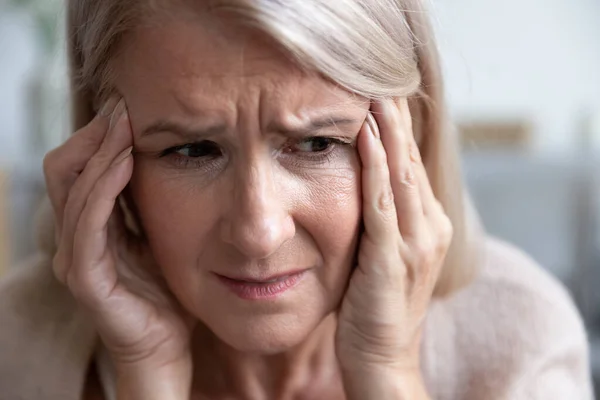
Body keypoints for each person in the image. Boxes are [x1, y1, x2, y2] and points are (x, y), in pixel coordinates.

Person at [0, 0, 594, 399]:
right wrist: (145, 374)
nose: (259, 231)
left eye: (315, 143)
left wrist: (386, 373)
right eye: (193, 151)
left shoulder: (520, 341)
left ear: (408, 139)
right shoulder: (19, 347)